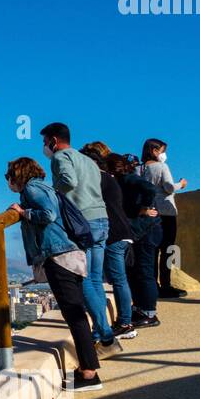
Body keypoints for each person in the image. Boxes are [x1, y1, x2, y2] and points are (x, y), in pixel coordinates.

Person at [5, 156, 102, 391]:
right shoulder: (44, 187)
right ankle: (87, 369)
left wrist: (23, 212)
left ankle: (89, 374)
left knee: (75, 315)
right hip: (69, 255)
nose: (8, 181)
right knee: (76, 314)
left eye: (9, 176)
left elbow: (47, 215)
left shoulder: (31, 189)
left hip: (59, 257)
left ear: (18, 174)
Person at [40, 122, 115, 348]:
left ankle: (105, 334)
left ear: (54, 141)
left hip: (83, 223)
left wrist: (52, 194)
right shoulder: (88, 160)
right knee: (95, 279)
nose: (45, 147)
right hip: (102, 219)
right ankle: (100, 332)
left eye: (45, 142)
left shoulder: (60, 157)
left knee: (83, 281)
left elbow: (69, 182)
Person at [81, 141, 135, 338]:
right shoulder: (109, 179)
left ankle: (125, 324)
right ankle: (125, 321)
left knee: (117, 280)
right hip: (122, 232)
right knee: (119, 280)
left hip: (113, 234)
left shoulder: (97, 180)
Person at [108, 153, 163, 327]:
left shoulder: (127, 179)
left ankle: (149, 313)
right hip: (141, 231)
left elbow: (150, 189)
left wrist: (144, 208)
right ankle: (140, 308)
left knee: (145, 272)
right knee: (137, 271)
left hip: (147, 230)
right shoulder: (122, 181)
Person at [141, 138, 187, 298]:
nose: (164, 154)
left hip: (149, 213)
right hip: (166, 213)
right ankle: (166, 284)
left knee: (152, 251)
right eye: (162, 150)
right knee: (168, 250)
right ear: (154, 151)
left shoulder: (139, 169)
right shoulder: (161, 167)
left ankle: (152, 285)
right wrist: (180, 184)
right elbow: (168, 187)